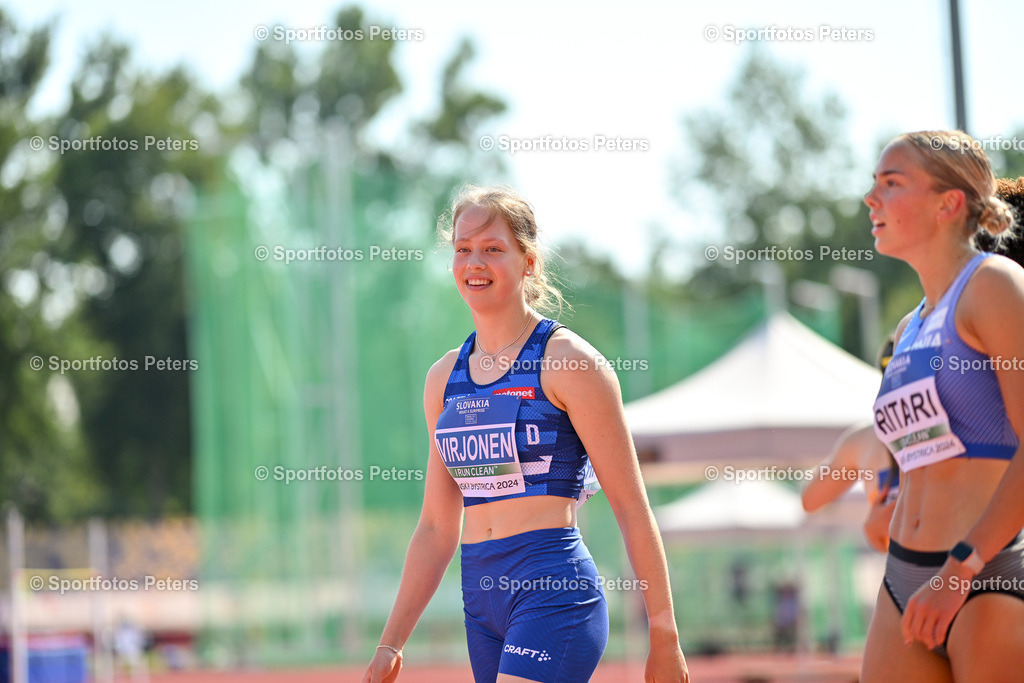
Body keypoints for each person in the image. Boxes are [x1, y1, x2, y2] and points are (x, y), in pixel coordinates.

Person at [363, 185, 689, 683]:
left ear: (528, 263)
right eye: (462, 249)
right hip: (480, 601)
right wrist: (391, 642)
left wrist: (664, 633)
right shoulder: (443, 379)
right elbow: (434, 527)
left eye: (493, 249)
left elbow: (631, 505)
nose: (475, 262)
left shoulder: (570, 362)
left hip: (554, 590)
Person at [860, 131, 1024, 681]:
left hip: (984, 575)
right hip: (903, 575)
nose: (870, 199)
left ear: (948, 203)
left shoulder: (995, 285)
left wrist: (960, 572)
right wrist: (890, 495)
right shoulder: (909, 325)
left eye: (891, 183)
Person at [801, 337, 899, 552]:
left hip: (909, 572)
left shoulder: (864, 440)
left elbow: (811, 500)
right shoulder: (960, 425)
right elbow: (810, 501)